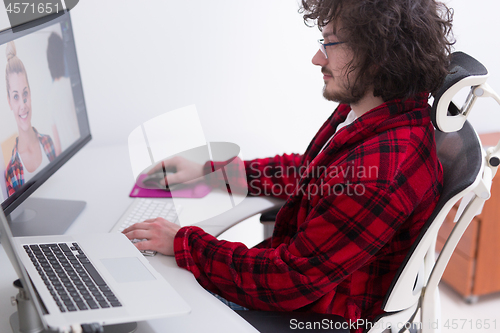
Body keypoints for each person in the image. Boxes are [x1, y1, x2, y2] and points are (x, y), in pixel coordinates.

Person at [123, 0, 453, 329]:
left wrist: (184, 242)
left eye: (331, 44)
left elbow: (290, 279)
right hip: (301, 285)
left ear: (379, 58)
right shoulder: (372, 110)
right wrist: (215, 173)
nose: (317, 59)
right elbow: (315, 174)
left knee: (149, 308)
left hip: (316, 315)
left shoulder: (384, 171)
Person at [4, 41, 57, 196]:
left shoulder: (48, 143)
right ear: (9, 102)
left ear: (30, 94)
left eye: (25, 93)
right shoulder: (11, 172)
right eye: (15, 96)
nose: (23, 105)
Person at [46, 32, 80, 155]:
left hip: (68, 154)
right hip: (81, 146)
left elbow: (58, 148)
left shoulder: (50, 98)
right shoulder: (71, 85)